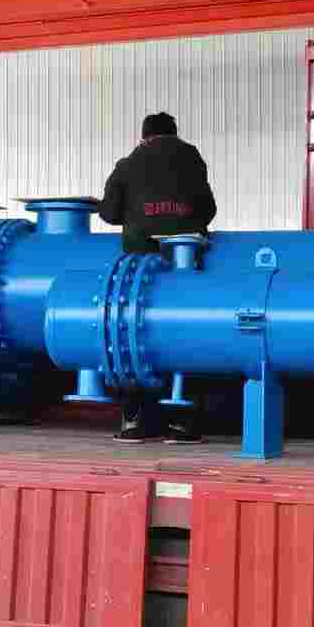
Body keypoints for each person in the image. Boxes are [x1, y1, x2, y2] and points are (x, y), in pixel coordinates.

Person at [98, 111, 218, 444]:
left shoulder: (128, 164)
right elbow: (208, 210)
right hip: (185, 262)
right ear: (175, 134)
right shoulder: (193, 159)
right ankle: (183, 421)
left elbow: (109, 213)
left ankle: (135, 421)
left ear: (143, 137)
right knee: (190, 329)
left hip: (140, 264)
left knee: (129, 331)